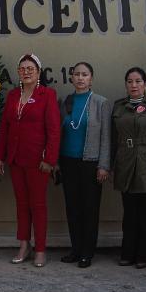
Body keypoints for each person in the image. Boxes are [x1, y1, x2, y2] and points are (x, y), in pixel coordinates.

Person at [0, 53, 60, 268]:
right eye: (22, 68)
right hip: (15, 159)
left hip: (38, 161)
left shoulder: (47, 95)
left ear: (39, 72)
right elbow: (5, 128)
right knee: (22, 205)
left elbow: (53, 130)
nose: (26, 72)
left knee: (38, 205)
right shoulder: (13, 95)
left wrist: (49, 159)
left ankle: (40, 248)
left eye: (30, 68)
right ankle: (24, 244)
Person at [111, 67, 146, 269]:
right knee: (129, 212)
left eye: (138, 81)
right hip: (126, 163)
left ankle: (145, 255)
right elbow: (112, 139)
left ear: (145, 84)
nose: (133, 85)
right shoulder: (119, 107)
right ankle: (128, 253)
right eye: (129, 81)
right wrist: (109, 165)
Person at [57, 62, 111, 268]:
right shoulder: (65, 101)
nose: (80, 78)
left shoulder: (101, 102)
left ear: (91, 79)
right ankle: (75, 248)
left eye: (85, 74)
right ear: (72, 78)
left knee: (89, 208)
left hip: (90, 163)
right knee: (72, 207)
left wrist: (103, 165)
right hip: (67, 162)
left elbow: (106, 137)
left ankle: (87, 252)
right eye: (77, 74)